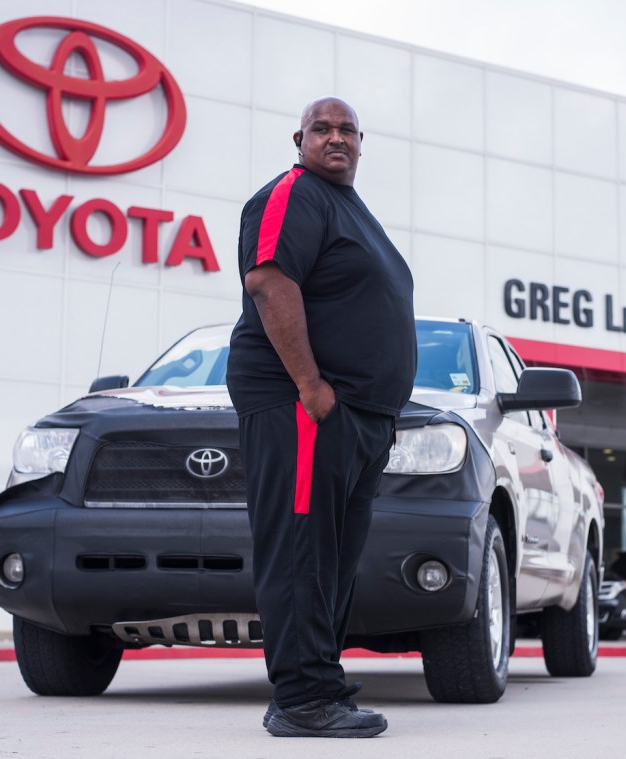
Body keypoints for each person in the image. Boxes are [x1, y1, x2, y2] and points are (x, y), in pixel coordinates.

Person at [226, 97, 416, 738]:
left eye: (346, 130)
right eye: (321, 129)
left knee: (333, 556)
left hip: (360, 416)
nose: (335, 138)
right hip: (304, 406)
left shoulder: (350, 209)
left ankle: (320, 680)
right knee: (302, 548)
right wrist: (310, 387)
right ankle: (302, 698)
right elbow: (271, 281)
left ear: (362, 141)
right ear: (300, 139)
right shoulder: (293, 192)